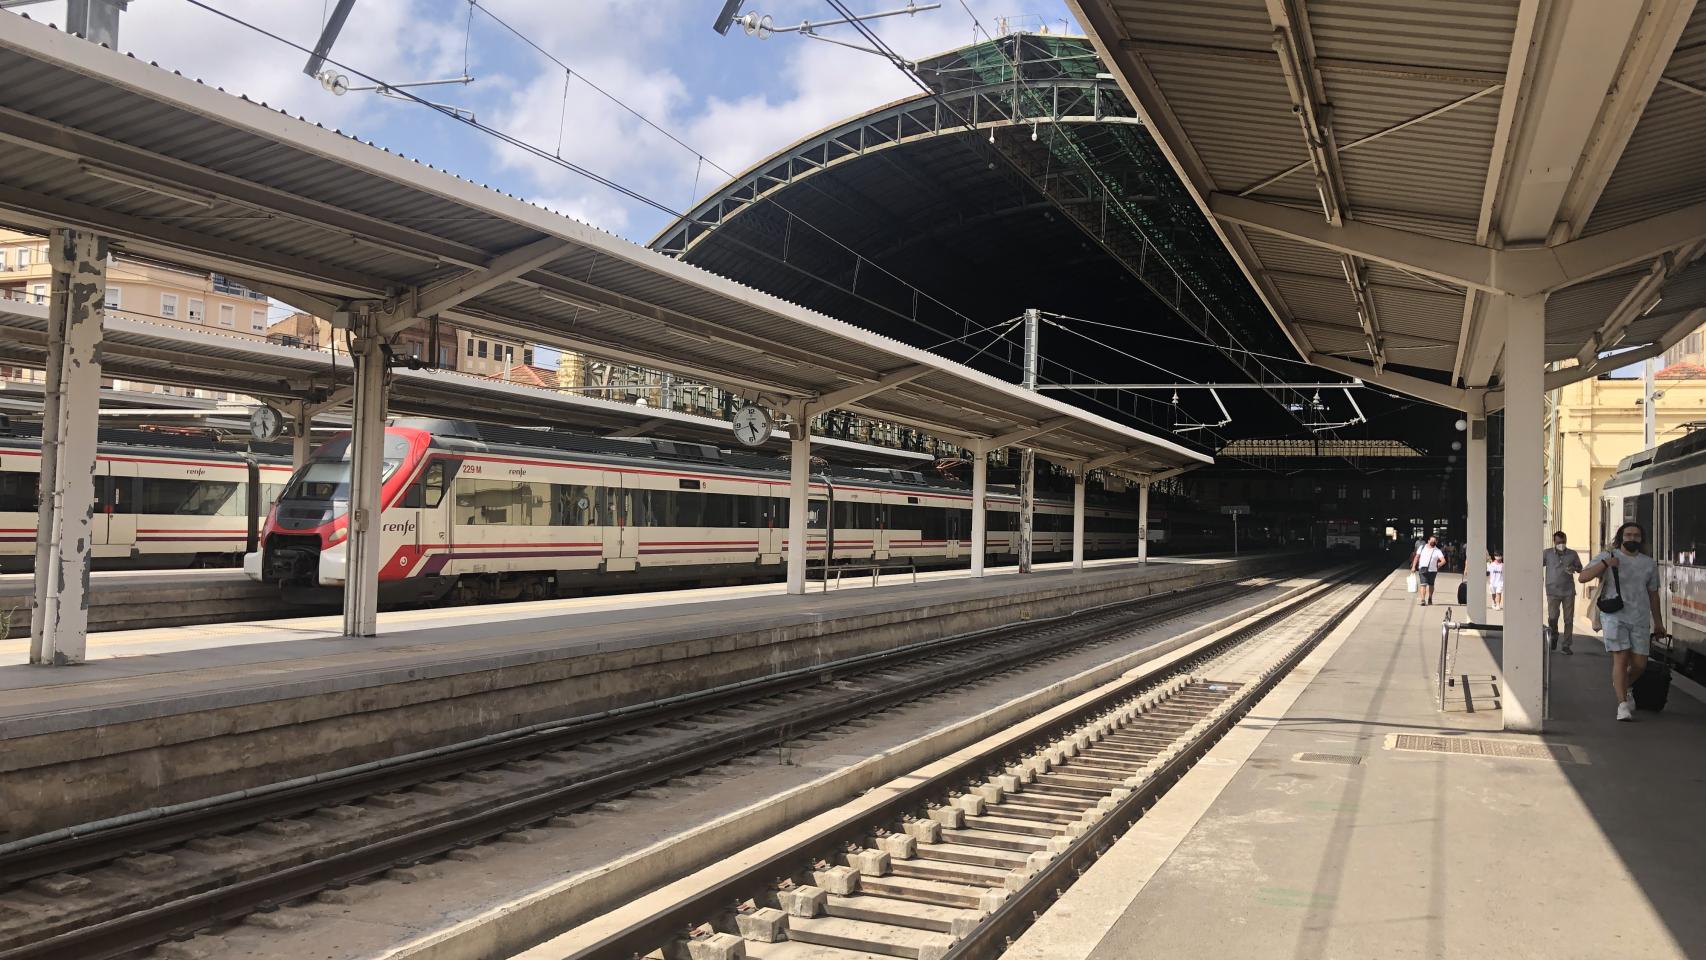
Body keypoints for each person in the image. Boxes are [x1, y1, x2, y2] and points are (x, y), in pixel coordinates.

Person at [1580, 521, 1668, 722]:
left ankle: (1623, 685)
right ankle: (1622, 705)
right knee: (1620, 658)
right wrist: (1605, 565)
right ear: (1621, 538)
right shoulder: (1607, 556)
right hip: (1614, 616)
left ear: (1641, 539)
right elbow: (1583, 577)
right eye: (1628, 535)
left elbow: (1653, 594)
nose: (1632, 539)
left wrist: (1658, 623)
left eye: (1636, 536)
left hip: (1639, 618)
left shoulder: (1648, 563)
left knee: (1640, 664)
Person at [1543, 531, 1583, 654]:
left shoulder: (1572, 554)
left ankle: (1566, 645)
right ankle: (1554, 635)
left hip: (1568, 591)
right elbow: (1537, 564)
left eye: (1563, 542)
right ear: (1554, 541)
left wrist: (1574, 568)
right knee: (1553, 617)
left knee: (1568, 619)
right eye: (1559, 542)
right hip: (1552, 590)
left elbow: (1580, 568)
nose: (1561, 544)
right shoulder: (1547, 553)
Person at [1412, 535, 1447, 606]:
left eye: (1435, 541)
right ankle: (1422, 600)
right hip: (1422, 569)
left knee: (1431, 585)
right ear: (1428, 541)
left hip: (1433, 570)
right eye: (1432, 541)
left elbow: (1443, 560)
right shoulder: (1422, 548)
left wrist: (1439, 564)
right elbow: (1417, 557)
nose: (1433, 542)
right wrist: (1413, 567)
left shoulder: (1437, 550)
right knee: (1423, 584)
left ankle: (1430, 597)